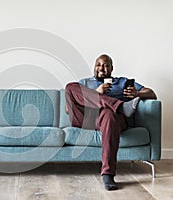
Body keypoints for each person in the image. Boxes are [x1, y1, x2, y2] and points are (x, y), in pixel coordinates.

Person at [65, 54, 157, 191]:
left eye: (106, 65)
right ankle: (119, 106)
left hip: (111, 120)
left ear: (111, 68)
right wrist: (96, 93)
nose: (101, 68)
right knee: (69, 86)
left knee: (109, 114)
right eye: (98, 65)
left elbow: (151, 93)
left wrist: (137, 94)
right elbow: (68, 109)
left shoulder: (122, 82)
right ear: (94, 67)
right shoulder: (85, 83)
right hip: (86, 118)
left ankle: (107, 174)